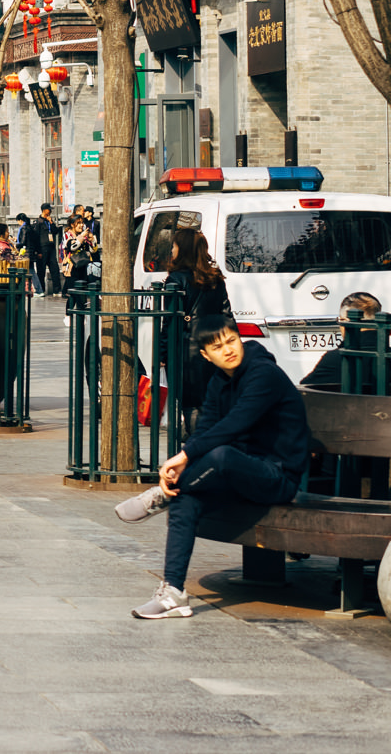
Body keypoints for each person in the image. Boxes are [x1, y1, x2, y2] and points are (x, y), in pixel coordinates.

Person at [115, 315, 310, 619]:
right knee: (186, 497)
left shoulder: (264, 374)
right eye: (218, 347)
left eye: (232, 341)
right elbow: (207, 428)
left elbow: (236, 423)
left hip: (276, 478)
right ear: (206, 355)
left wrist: (181, 458)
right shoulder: (219, 382)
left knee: (220, 456)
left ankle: (161, 496)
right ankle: (173, 593)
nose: (228, 350)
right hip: (237, 477)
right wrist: (185, 459)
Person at [164, 229, 232, 419]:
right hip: (214, 347)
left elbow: (169, 320)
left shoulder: (176, 279)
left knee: (190, 403)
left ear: (183, 249)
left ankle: (199, 443)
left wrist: (162, 352)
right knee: (212, 400)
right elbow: (227, 314)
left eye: (175, 245)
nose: (172, 250)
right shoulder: (215, 277)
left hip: (186, 350)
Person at [25, 203, 60, 297]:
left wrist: (52, 223)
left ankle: (57, 290)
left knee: (55, 268)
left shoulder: (49, 221)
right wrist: (38, 251)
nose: (51, 211)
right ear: (44, 210)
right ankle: (41, 289)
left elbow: (56, 231)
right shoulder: (38, 222)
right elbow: (35, 238)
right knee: (41, 270)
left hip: (51, 248)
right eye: (49, 209)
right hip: (42, 248)